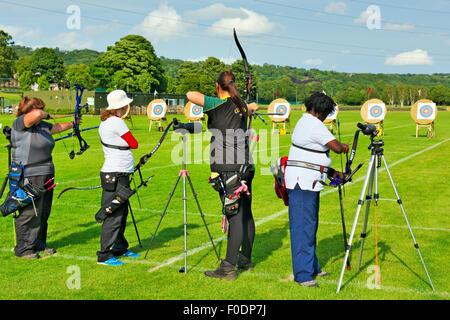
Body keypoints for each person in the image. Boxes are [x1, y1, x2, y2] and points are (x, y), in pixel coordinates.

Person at [187, 70, 259, 280]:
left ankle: (228, 267)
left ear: (218, 86)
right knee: (245, 213)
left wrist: (215, 97)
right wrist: (248, 105)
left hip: (229, 168)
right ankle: (245, 258)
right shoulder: (241, 106)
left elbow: (191, 94)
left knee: (234, 215)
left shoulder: (216, 104)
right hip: (246, 166)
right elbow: (251, 106)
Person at [285, 92, 348, 287]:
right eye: (327, 113)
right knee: (303, 228)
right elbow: (336, 147)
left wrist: (332, 172)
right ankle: (303, 275)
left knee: (309, 226)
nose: (327, 117)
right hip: (302, 182)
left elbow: (312, 154)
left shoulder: (307, 122)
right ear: (319, 111)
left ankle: (312, 267)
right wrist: (346, 147)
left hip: (308, 180)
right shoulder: (313, 124)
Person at [10, 97, 75, 259]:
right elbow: (38, 114)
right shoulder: (20, 123)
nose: (43, 111)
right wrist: (44, 113)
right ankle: (24, 249)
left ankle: (39, 243)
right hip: (28, 173)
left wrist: (73, 123)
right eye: (41, 108)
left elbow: (58, 127)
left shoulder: (42, 126)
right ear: (31, 109)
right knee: (29, 211)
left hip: (47, 172)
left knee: (43, 211)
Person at [96, 90, 140, 266]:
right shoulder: (117, 122)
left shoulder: (107, 121)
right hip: (116, 173)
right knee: (114, 214)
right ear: (122, 106)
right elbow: (134, 143)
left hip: (118, 173)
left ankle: (120, 247)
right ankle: (104, 255)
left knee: (121, 212)